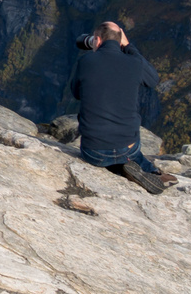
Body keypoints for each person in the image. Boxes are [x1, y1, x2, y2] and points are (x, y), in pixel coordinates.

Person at [69, 21, 176, 194]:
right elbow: (153, 80)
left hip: (93, 152)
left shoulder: (86, 61)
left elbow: (76, 93)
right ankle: (148, 170)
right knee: (127, 146)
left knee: (107, 152)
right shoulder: (134, 63)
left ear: (96, 40)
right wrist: (128, 46)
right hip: (128, 146)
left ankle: (121, 169)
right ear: (120, 41)